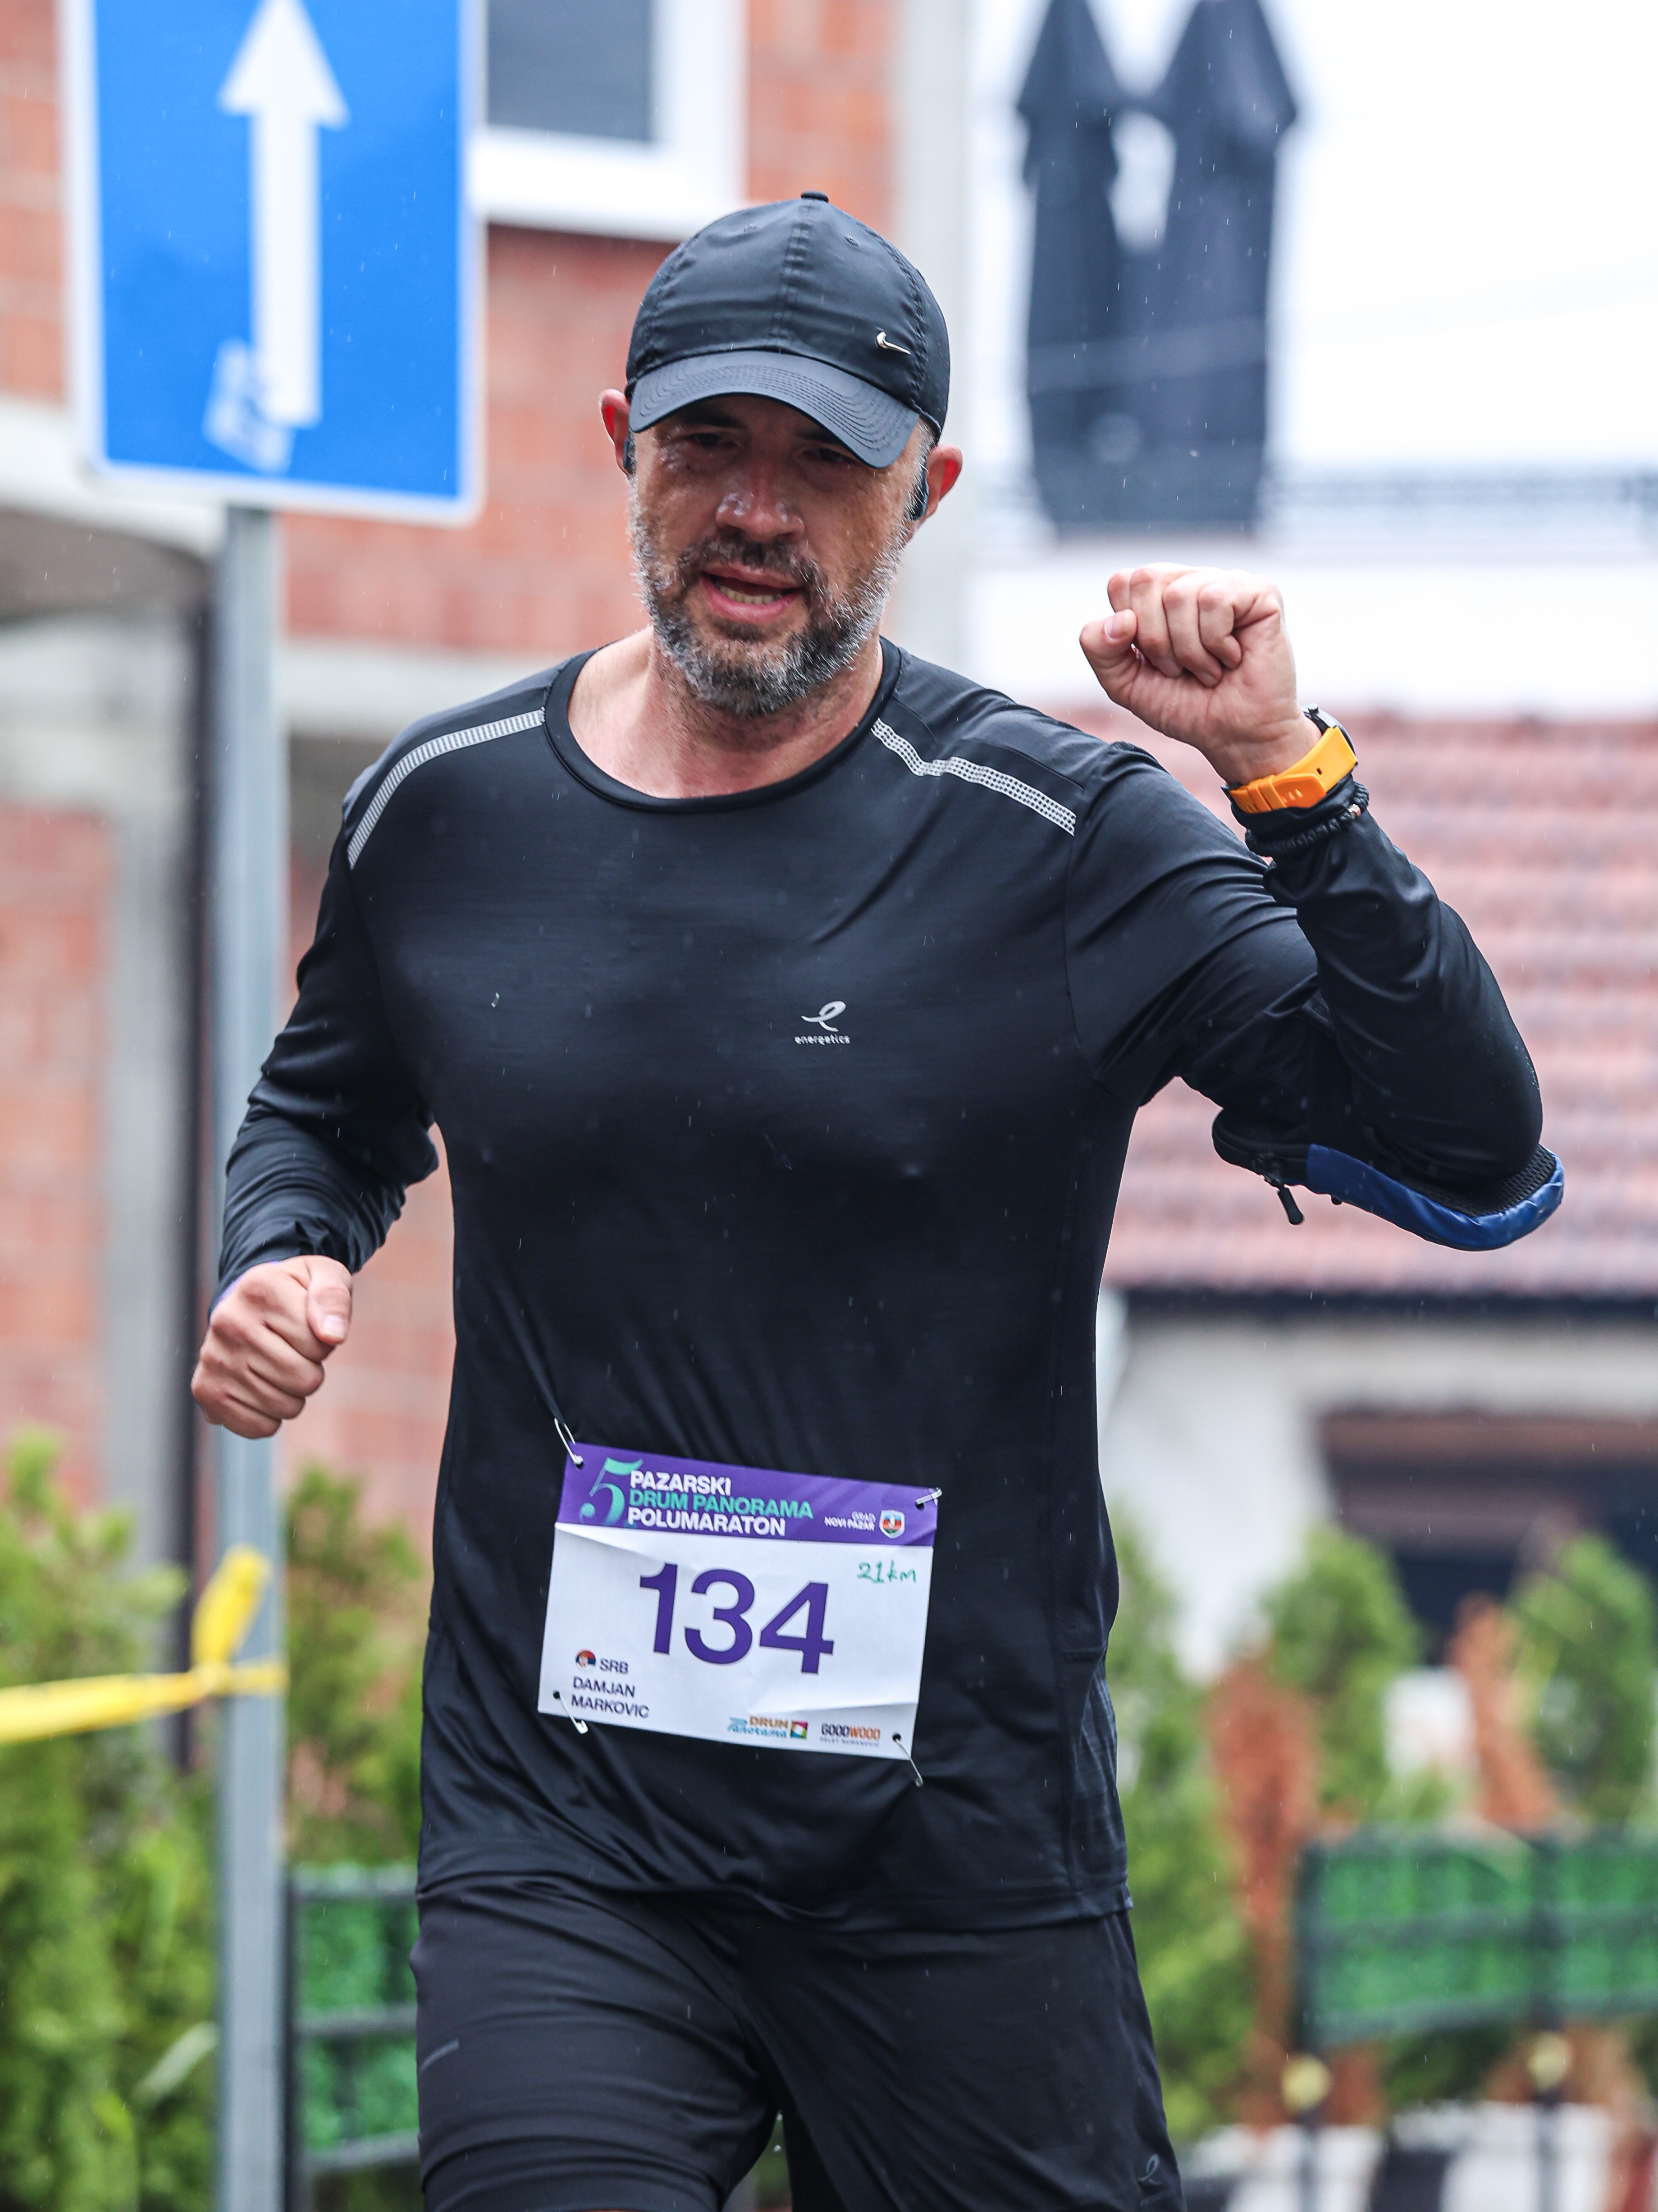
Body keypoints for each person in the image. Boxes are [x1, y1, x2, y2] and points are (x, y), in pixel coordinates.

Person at [193, 194, 1551, 2212]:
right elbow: (322, 1111)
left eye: (823, 462)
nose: (756, 512)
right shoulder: (446, 809)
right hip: (568, 1838)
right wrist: (284, 1252)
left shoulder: (1059, 839)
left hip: (956, 1860)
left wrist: (1284, 776)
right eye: (707, 447)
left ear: (925, 490)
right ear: (620, 445)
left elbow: (1471, 1156)